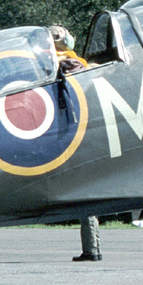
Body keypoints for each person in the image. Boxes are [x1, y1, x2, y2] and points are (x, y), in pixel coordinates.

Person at [50, 25, 103, 262]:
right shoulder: (69, 63)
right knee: (86, 191)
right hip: (81, 132)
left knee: (85, 193)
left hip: (71, 132)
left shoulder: (52, 63)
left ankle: (91, 249)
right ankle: (92, 249)